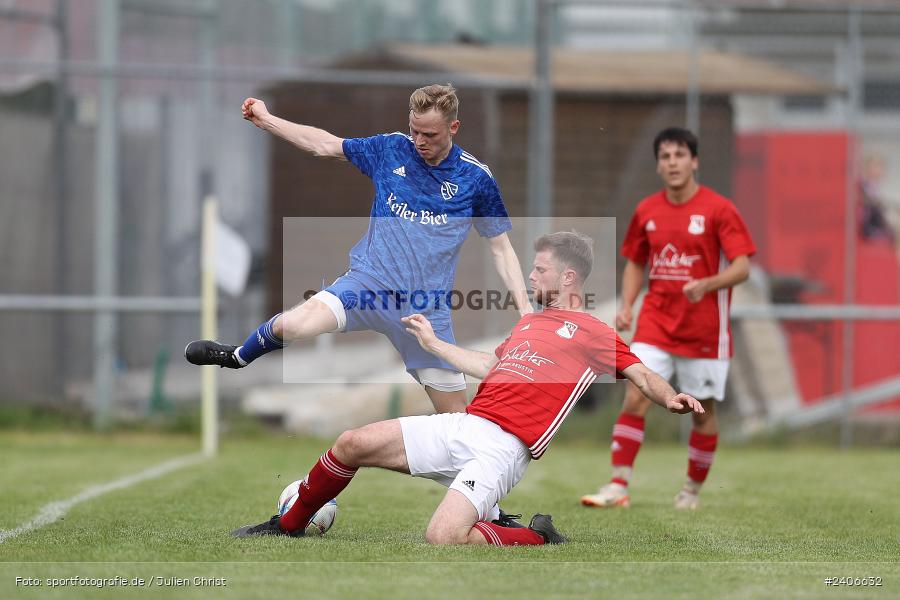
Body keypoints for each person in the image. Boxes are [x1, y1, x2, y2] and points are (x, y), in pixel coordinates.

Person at [231, 232, 705, 545]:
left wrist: (670, 397)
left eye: (539, 270)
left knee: (443, 538)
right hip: (465, 424)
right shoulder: (529, 325)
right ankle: (286, 527)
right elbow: (490, 365)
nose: (531, 277)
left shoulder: (594, 332)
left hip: (502, 450)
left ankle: (538, 536)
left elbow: (641, 373)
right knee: (352, 443)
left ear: (567, 278)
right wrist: (434, 342)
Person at [185, 84, 531, 415]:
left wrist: (526, 311)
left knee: (456, 417)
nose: (419, 141)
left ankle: (477, 474)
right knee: (290, 325)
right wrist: (268, 119)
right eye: (415, 131)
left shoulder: (476, 179)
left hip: (424, 312)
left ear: (453, 127)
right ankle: (238, 357)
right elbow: (324, 145)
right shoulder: (391, 149)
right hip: (367, 286)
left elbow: (501, 249)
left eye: (430, 135)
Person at [580, 128, 756, 511]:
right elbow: (635, 263)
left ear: (694, 162)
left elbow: (742, 267)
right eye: (665, 156)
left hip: (704, 331)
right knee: (634, 394)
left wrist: (709, 283)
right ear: (658, 165)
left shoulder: (719, 209)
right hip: (655, 323)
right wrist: (627, 304)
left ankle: (690, 491)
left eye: (679, 155)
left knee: (703, 414)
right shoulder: (648, 211)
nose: (672, 162)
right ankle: (617, 484)